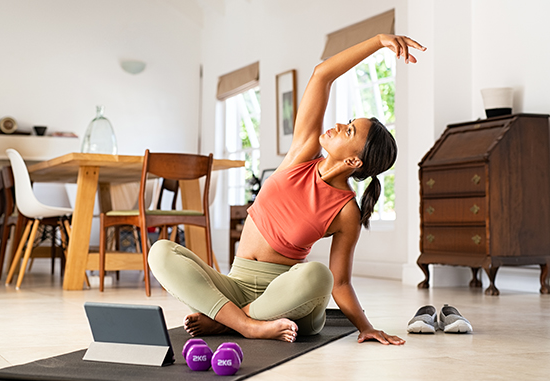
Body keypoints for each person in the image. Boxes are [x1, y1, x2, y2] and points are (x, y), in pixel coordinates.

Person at [149, 33, 426, 345]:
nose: (337, 125)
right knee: (161, 251)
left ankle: (228, 320)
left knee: (319, 275)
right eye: (348, 121)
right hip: (235, 283)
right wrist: (378, 41)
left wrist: (366, 326)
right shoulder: (302, 153)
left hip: (288, 300)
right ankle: (244, 322)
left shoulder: (347, 211)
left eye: (348, 130)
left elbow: (341, 284)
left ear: (353, 160)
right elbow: (322, 74)